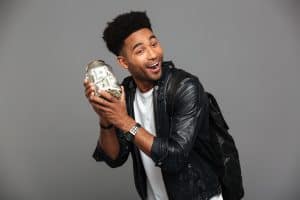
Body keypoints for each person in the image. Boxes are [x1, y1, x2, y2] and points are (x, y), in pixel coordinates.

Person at [83, 11, 223, 200]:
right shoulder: (127, 92)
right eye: (140, 51)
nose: (153, 54)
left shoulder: (185, 87)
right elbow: (114, 158)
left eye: (154, 43)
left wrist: (124, 121)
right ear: (123, 62)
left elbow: (175, 158)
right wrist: (106, 115)